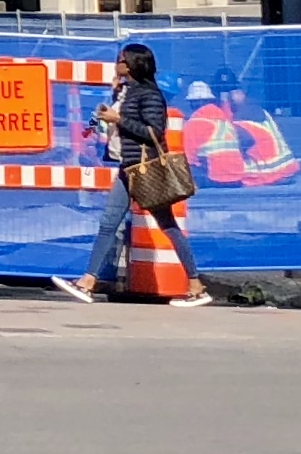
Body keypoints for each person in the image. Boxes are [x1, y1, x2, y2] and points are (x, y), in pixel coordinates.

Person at [68, 40, 207, 306]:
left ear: (132, 65)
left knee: (168, 225)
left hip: (145, 169)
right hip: (127, 167)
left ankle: (195, 283)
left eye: (121, 60)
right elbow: (113, 122)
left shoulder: (149, 94)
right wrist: (111, 107)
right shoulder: (125, 91)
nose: (117, 64)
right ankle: (88, 280)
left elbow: (154, 132)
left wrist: (118, 119)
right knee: (108, 223)